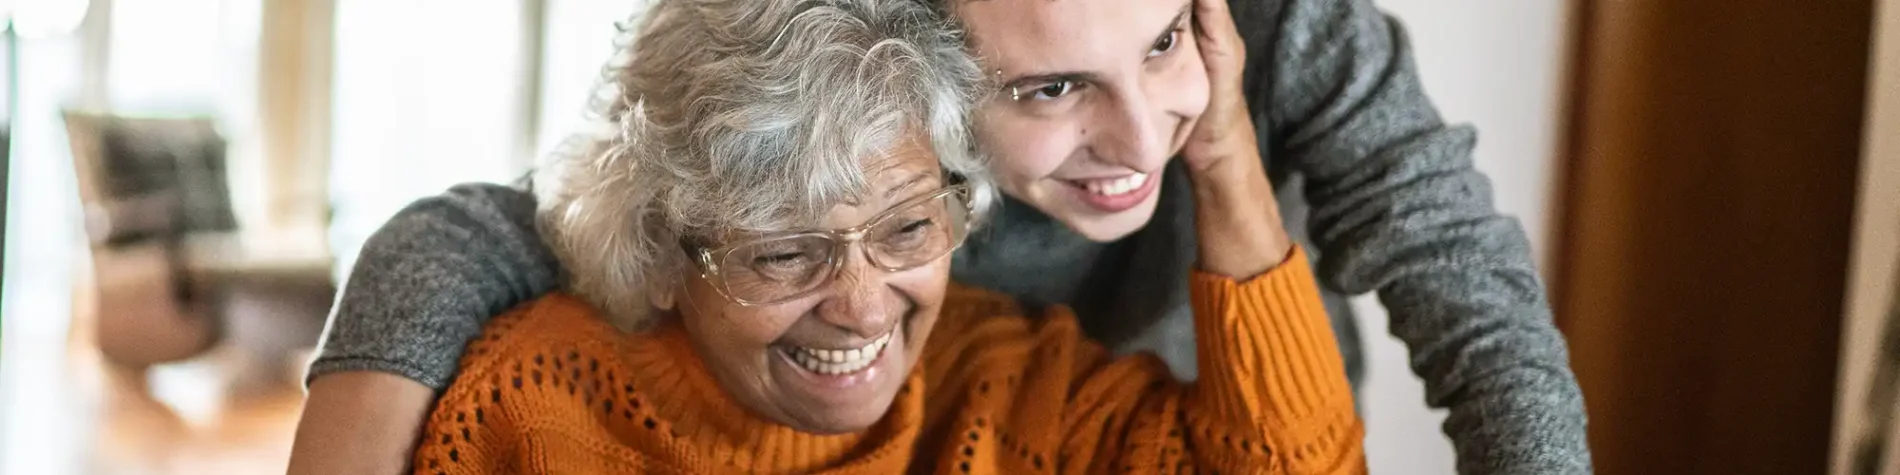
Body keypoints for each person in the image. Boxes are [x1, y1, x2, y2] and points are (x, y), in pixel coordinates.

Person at [291, 0, 1589, 473]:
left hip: (1218, 430)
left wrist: (1228, 139)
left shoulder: (1283, 37)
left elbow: (1467, 288)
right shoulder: (849, 70)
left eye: (1164, 44)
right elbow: (533, 217)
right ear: (924, 72)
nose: (1144, 137)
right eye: (1047, 90)